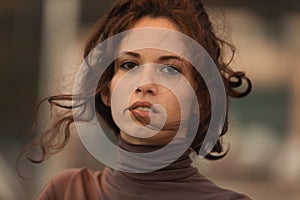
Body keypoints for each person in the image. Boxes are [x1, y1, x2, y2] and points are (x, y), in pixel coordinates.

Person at [25, 0, 252, 199]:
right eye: (129, 65)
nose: (145, 84)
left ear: (201, 97)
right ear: (107, 91)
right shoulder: (68, 192)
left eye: (170, 69)